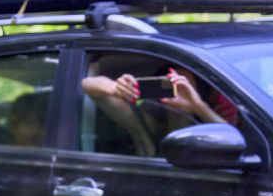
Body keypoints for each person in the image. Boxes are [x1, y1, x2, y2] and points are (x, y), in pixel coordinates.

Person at [81, 64, 238, 156]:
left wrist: (197, 106)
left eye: (186, 86)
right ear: (158, 88)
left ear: (199, 90)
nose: (178, 91)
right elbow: (88, 84)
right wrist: (115, 87)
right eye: (170, 86)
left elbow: (236, 141)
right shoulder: (148, 118)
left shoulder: (208, 119)